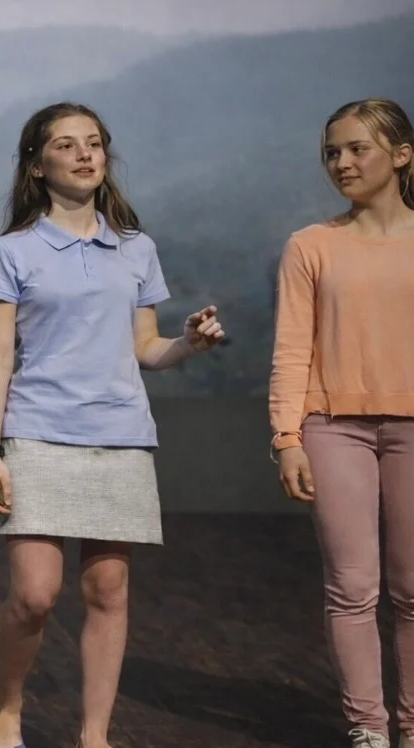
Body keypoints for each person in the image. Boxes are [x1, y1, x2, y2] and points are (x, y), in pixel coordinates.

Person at [0, 101, 225, 748]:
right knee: (34, 595)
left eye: (94, 143)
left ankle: (95, 736)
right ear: (36, 165)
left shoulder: (136, 248)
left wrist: (189, 343)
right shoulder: (12, 251)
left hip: (119, 436)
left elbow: (146, 348)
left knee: (107, 587)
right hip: (35, 431)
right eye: (65, 145)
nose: (85, 154)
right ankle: (6, 707)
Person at [270, 98, 414, 748]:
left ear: (402, 154)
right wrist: (286, 438)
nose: (341, 162)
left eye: (357, 148)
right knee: (353, 587)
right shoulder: (311, 245)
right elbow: (292, 349)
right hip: (332, 427)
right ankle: (369, 729)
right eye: (332, 151)